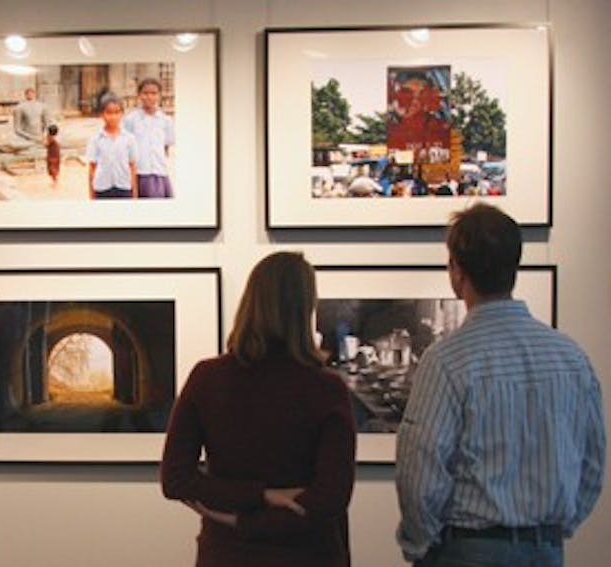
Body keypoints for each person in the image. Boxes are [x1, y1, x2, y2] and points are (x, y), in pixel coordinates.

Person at [395, 203, 606, 566]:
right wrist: (554, 529)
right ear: (514, 267)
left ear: (457, 273)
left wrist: (421, 545)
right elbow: (592, 462)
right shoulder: (571, 359)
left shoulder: (448, 360)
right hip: (545, 549)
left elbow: (419, 469)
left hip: (468, 549)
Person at [161, 252, 357, 567]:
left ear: (250, 300)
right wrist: (265, 496)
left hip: (228, 554)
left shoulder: (208, 378)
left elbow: (176, 479)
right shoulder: (326, 388)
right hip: (308, 555)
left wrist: (243, 515)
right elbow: (329, 499)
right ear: (305, 308)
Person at [122, 77, 175, 198]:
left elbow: (165, 146)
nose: (149, 97)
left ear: (159, 96)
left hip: (159, 172)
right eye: (145, 93)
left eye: (154, 93)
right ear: (139, 95)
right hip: (139, 172)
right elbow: (125, 147)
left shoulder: (165, 120)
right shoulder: (131, 120)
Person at [86, 93, 138, 199]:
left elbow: (132, 166)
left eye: (117, 112)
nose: (113, 117)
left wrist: (135, 193)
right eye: (109, 113)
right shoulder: (96, 139)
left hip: (123, 187)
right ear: (101, 114)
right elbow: (92, 168)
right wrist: (91, 195)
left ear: (122, 114)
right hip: (102, 188)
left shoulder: (129, 138)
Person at [44, 123, 61, 187]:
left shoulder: (51, 138)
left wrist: (44, 140)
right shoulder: (53, 137)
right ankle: (55, 180)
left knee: (52, 168)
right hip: (55, 154)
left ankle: (55, 181)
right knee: (54, 167)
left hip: (52, 155)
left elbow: (46, 144)